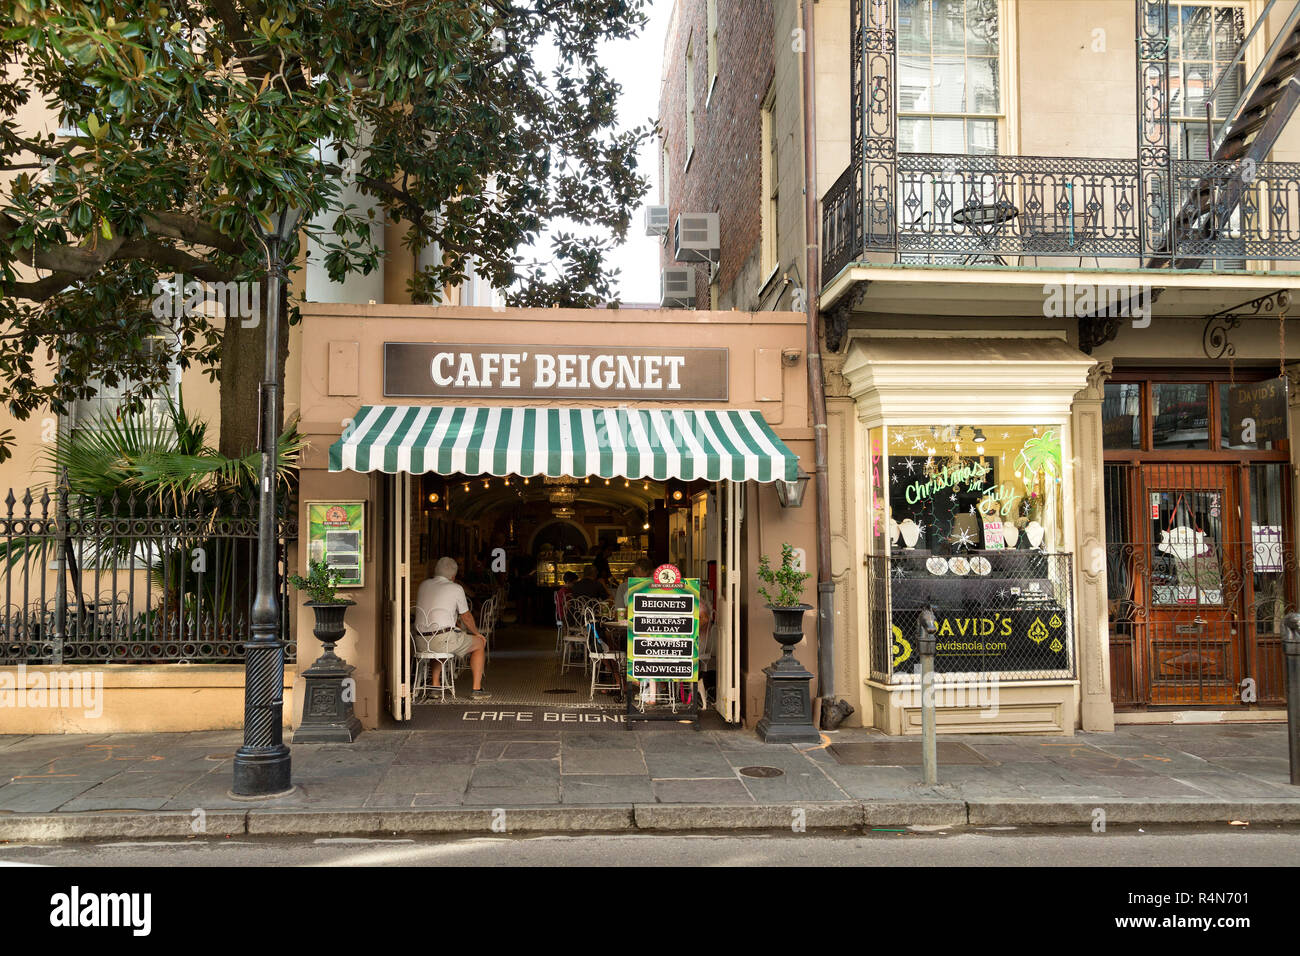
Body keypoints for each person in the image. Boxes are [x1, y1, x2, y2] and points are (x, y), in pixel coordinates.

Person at [414, 556, 489, 698]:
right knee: (479, 644)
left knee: (439, 640)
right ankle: (477, 689)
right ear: (453, 576)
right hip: (442, 640)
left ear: (436, 571)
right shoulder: (455, 588)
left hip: (420, 641)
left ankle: (435, 686)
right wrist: (477, 633)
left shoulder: (423, 585)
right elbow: (466, 617)